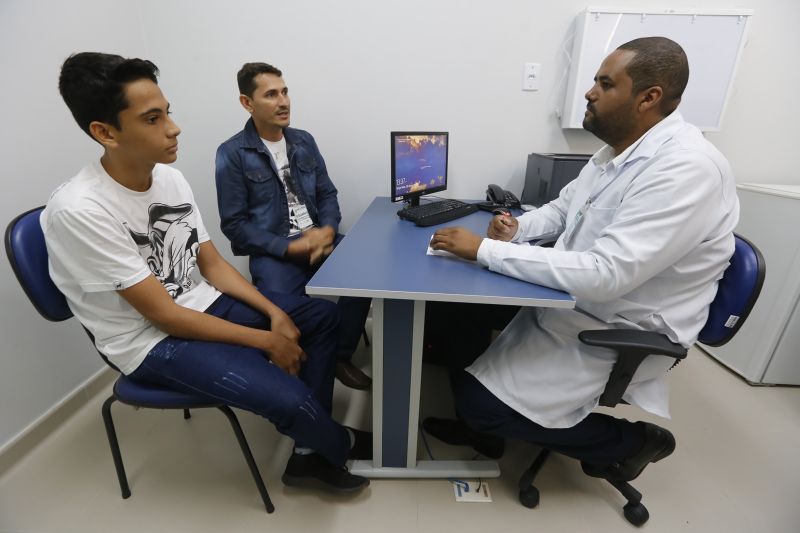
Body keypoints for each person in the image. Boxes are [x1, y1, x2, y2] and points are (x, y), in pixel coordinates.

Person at [42, 52, 371, 493]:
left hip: (201, 304)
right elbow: (165, 317)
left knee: (320, 318)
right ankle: (331, 440)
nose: (174, 128)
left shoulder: (169, 179)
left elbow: (211, 263)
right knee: (291, 399)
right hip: (150, 342)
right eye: (153, 119)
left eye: (168, 113)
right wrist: (267, 339)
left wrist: (273, 313)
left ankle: (308, 453)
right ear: (105, 132)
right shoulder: (80, 210)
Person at [425, 37, 739, 482]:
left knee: (480, 405)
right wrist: (517, 230)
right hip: (575, 298)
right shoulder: (616, 152)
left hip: (621, 323)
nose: (590, 92)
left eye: (605, 84)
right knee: (451, 307)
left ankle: (631, 442)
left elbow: (608, 276)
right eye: (594, 80)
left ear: (648, 98)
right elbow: (563, 209)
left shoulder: (686, 169)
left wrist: (486, 250)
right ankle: (483, 420)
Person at [215, 62, 372, 390]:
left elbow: (327, 192)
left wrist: (328, 228)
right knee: (287, 314)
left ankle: (340, 356)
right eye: (271, 94)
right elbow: (235, 226)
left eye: (285, 92)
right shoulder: (232, 154)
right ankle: (302, 376)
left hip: (316, 236)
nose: (283, 101)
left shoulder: (303, 141)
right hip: (274, 250)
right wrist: (288, 246)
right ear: (247, 103)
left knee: (364, 267)